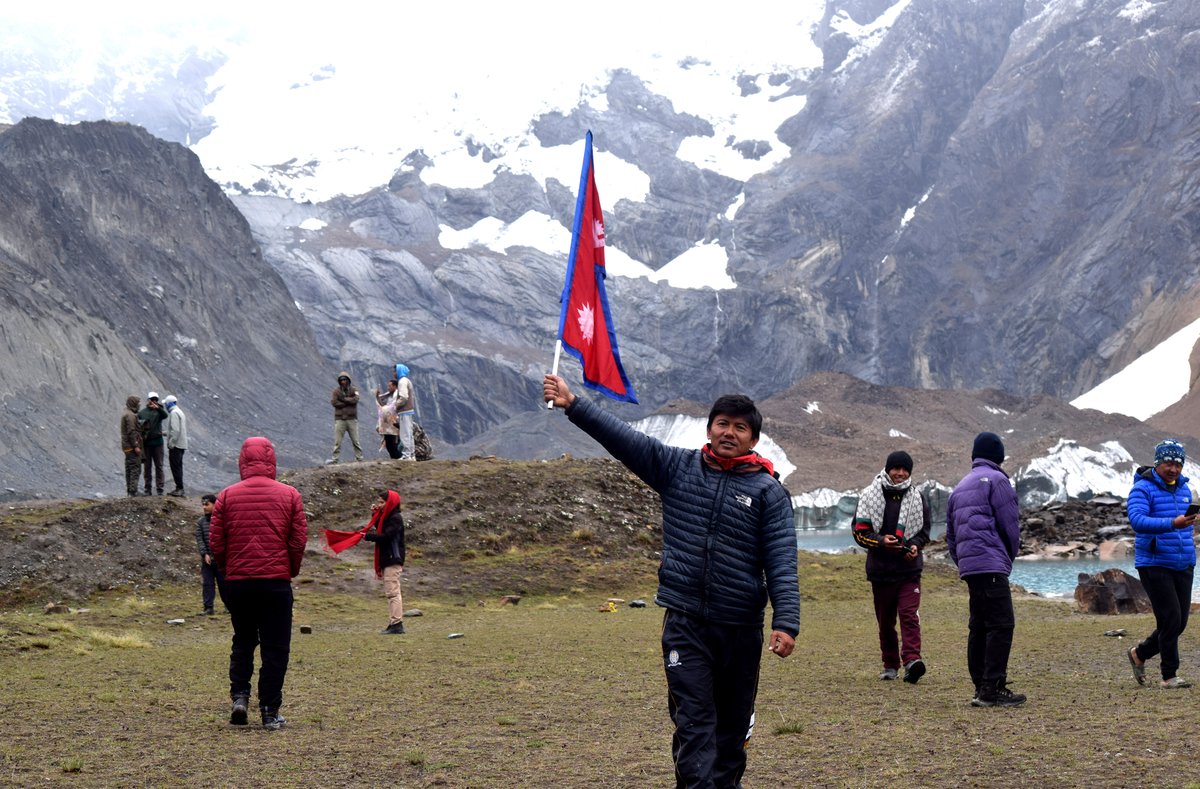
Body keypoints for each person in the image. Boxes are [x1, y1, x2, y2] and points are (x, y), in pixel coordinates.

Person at [543, 374, 799, 787]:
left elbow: (782, 561)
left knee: (731, 734)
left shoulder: (768, 493)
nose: (729, 433)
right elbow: (624, 440)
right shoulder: (677, 468)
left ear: (753, 439)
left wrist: (786, 621)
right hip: (686, 625)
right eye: (722, 424)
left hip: (740, 630)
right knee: (695, 724)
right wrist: (574, 404)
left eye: (740, 427)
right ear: (709, 428)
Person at [210, 436, 309, 731]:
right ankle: (269, 710)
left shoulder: (226, 496)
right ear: (271, 461)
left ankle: (240, 697)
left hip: (239, 584)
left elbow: (217, 542)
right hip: (275, 584)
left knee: (243, 640)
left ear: (242, 460)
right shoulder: (290, 495)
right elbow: (298, 540)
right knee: (276, 647)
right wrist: (288, 569)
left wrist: (230, 570)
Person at [945, 431, 1025, 707]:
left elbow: (951, 535)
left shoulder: (960, 486)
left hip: (971, 567)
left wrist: (963, 562)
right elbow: (1010, 527)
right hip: (991, 563)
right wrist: (1006, 558)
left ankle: (980, 685)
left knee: (978, 625)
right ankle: (992, 687)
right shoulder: (998, 480)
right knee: (1002, 624)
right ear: (999, 456)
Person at [852, 450, 931, 683]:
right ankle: (890, 664)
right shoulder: (869, 495)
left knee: (909, 615)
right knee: (886, 622)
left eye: (905, 469)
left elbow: (924, 533)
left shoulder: (918, 498)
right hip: (881, 571)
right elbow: (859, 532)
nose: (900, 473)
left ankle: (912, 661)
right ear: (887, 469)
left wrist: (915, 545)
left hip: (909, 570)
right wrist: (881, 541)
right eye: (896, 468)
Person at [1126, 439, 1197, 689]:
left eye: (1178, 464)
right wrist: (1172, 523)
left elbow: (1183, 525)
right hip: (1154, 562)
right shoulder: (1142, 489)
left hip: (1183, 562)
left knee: (1179, 623)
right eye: (1169, 463)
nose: (1174, 469)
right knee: (1170, 620)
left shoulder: (1184, 489)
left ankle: (1140, 653)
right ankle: (1169, 676)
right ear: (1158, 463)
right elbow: (1137, 521)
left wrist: (1187, 525)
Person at [362, 489, 407, 634]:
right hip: (389, 559)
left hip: (392, 558)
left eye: (382, 502)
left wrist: (367, 536)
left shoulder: (395, 518)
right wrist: (375, 515)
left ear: (390, 502)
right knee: (391, 592)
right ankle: (394, 622)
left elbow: (386, 536)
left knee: (393, 592)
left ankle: (397, 624)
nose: (379, 505)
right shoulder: (389, 517)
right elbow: (381, 529)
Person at [194, 493, 222, 615]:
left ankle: (230, 606)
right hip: (207, 560)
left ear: (215, 505)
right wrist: (204, 554)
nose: (204, 507)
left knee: (225, 585)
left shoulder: (222, 520)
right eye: (203, 505)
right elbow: (200, 539)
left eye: (207, 504)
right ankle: (208, 608)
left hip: (221, 560)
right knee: (207, 584)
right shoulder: (200, 522)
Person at [138, 392, 168, 495]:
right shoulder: (142, 413)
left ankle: (160, 489)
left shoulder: (159, 412)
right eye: (152, 399)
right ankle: (147, 489)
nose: (154, 401)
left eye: (156, 399)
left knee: (159, 466)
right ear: (148, 400)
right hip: (146, 444)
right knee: (147, 467)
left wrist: (158, 408)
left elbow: (165, 415)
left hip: (158, 443)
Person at [330, 372, 363, 463]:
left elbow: (356, 399)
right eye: (341, 380)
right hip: (340, 419)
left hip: (352, 419)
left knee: (355, 440)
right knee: (337, 441)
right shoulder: (336, 391)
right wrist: (349, 401)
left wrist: (344, 400)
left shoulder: (354, 389)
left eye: (345, 380)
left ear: (348, 380)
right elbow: (334, 402)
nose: (343, 381)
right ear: (339, 381)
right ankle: (335, 459)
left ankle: (359, 458)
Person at [164, 394, 188, 497]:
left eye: (166, 404)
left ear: (169, 404)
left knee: (175, 467)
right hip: (182, 445)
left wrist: (171, 443)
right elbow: (177, 429)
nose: (165, 405)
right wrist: (165, 433)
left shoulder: (173, 413)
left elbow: (175, 430)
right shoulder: (180, 412)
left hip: (176, 445)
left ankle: (179, 488)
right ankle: (180, 488)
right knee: (178, 466)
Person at [120, 395, 143, 497]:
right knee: (135, 468)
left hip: (126, 447)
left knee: (129, 468)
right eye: (138, 403)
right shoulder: (130, 416)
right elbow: (132, 432)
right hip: (131, 447)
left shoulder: (126, 413)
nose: (139, 405)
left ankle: (130, 491)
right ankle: (133, 491)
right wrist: (136, 446)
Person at [374, 380, 402, 459]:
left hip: (394, 421)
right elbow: (384, 407)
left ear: (395, 386)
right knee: (390, 444)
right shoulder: (389, 396)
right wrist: (377, 397)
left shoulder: (397, 396)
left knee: (394, 443)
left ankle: (399, 457)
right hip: (387, 421)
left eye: (390, 386)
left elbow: (393, 408)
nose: (388, 388)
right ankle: (395, 457)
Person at [394, 363, 417, 461]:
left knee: (405, 434)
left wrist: (395, 405)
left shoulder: (402, 381)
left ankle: (407, 455)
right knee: (409, 433)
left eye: (395, 371)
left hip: (404, 411)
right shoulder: (407, 380)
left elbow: (404, 397)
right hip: (409, 411)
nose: (394, 373)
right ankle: (412, 455)